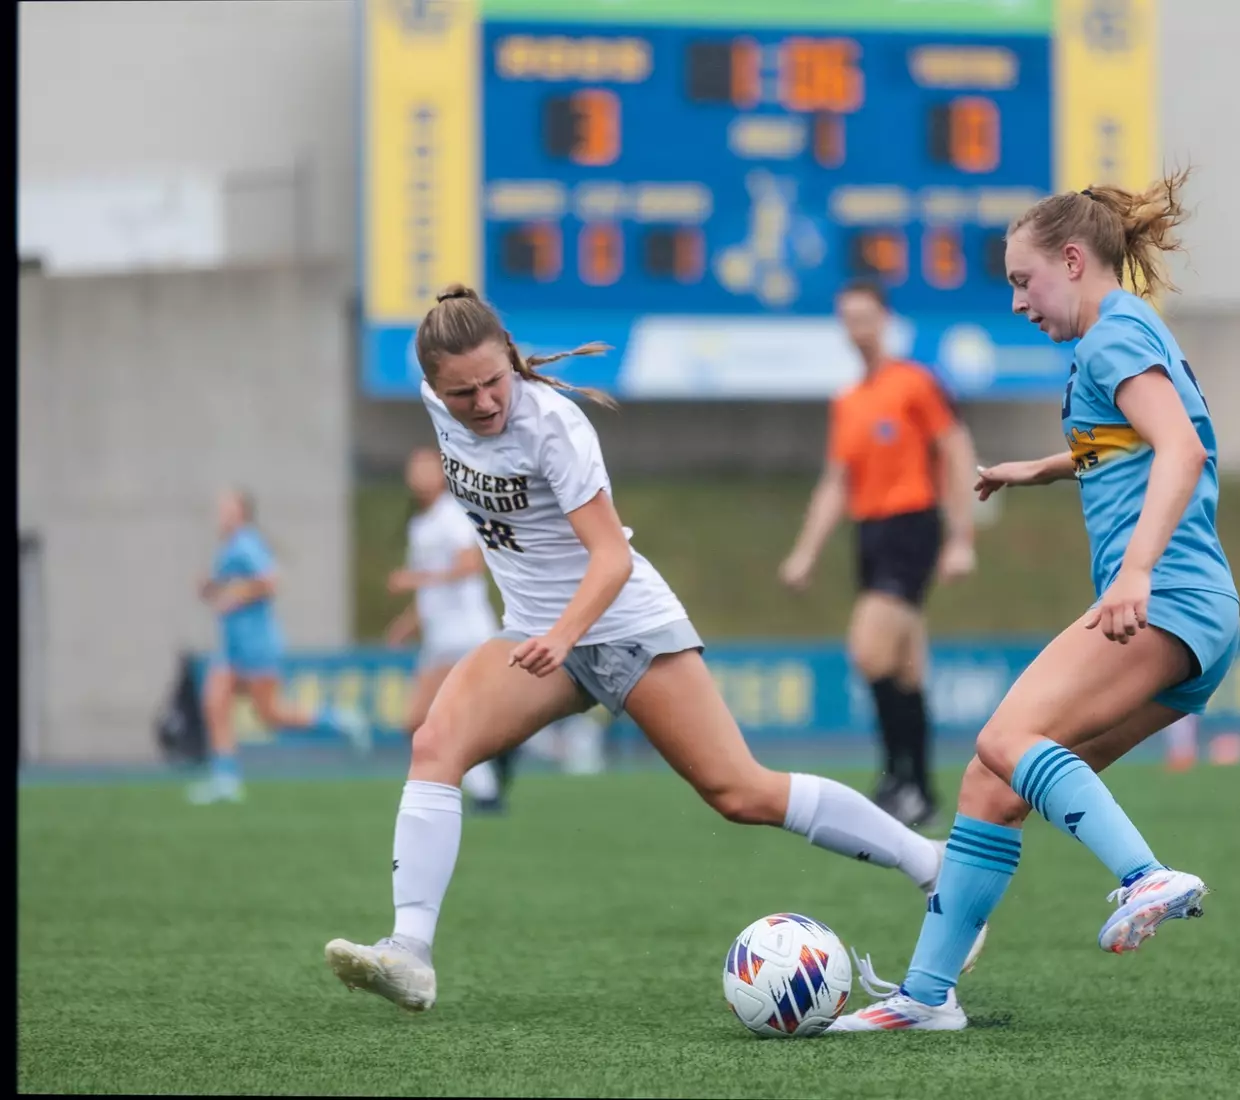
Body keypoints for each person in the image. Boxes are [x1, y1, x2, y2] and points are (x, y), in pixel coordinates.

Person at [324, 285, 977, 1013]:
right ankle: (408, 953)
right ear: (433, 387)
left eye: (492, 382)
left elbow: (610, 560)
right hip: (539, 634)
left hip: (623, 625)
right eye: (461, 393)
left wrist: (561, 635)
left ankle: (936, 867)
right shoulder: (435, 396)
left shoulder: (553, 428)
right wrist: (547, 636)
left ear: (511, 357)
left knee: (740, 792)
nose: (481, 403)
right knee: (434, 746)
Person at [831, 169, 1240, 1033]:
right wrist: (1045, 468)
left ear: (1071, 258)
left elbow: (1181, 453)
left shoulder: (1108, 339)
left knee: (1006, 737)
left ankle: (1144, 876)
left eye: (1024, 281)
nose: (1019, 302)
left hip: (1166, 598)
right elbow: (1153, 437)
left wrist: (1134, 573)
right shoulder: (1129, 331)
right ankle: (926, 998)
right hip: (1197, 613)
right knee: (992, 785)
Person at [780, 278, 980, 828]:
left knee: (868, 651)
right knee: (905, 667)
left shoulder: (915, 384)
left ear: (885, 320)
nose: (856, 327)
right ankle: (919, 789)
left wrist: (962, 537)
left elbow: (956, 451)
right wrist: (806, 552)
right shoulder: (848, 401)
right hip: (869, 534)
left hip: (912, 525)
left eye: (865, 316)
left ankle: (897, 779)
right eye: (847, 316)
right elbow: (835, 482)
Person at [190, 488, 369, 805]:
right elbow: (229, 591)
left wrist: (233, 596)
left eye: (227, 508)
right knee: (215, 700)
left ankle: (340, 719)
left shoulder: (247, 542)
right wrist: (211, 588)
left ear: (242, 512)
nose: (221, 514)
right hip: (232, 646)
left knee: (271, 714)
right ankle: (226, 778)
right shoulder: (229, 547)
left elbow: (270, 581)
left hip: (257, 643)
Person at [383, 447, 514, 812]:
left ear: (441, 474)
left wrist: (413, 579)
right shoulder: (421, 523)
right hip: (440, 636)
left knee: (424, 719)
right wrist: (407, 624)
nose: (417, 476)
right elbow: (430, 588)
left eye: (425, 468)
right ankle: (488, 783)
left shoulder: (452, 516)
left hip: (466, 632)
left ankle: (486, 785)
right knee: (434, 721)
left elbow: (471, 565)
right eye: (413, 469)